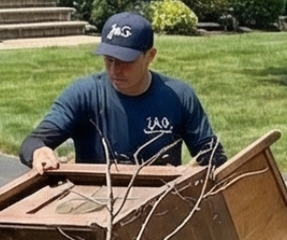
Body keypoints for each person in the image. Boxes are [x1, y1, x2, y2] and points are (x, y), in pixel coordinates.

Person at [20, 13, 219, 172]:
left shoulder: (179, 96)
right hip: (94, 203)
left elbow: (212, 157)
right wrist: (39, 152)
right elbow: (33, 142)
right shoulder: (83, 94)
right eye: (109, 59)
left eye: (125, 61)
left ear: (150, 56)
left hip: (161, 203)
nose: (115, 69)